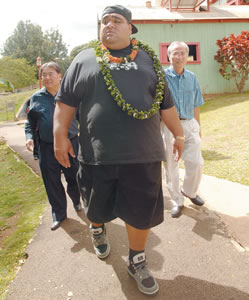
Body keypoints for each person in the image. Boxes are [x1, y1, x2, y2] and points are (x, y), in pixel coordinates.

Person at [53, 5, 184, 295]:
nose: (108, 25)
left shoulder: (149, 60)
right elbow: (65, 103)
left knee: (140, 214)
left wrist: (179, 134)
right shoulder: (83, 59)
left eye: (116, 20)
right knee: (96, 208)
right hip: (97, 157)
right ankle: (97, 228)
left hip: (143, 156)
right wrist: (60, 136)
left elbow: (166, 104)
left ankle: (137, 260)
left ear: (130, 28)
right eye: (104, 21)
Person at [25, 62, 82, 231]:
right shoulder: (35, 98)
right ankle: (59, 214)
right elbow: (30, 124)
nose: (47, 77)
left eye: (51, 74)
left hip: (71, 144)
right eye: (44, 75)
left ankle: (78, 201)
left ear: (60, 76)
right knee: (52, 182)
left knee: (75, 177)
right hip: (47, 147)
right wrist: (29, 138)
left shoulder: (71, 96)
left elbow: (83, 120)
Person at [161, 41, 205, 219]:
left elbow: (196, 104)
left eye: (182, 53)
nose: (179, 57)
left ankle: (189, 191)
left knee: (196, 162)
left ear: (187, 56)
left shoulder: (192, 77)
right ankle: (177, 201)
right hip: (169, 126)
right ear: (169, 56)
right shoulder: (161, 77)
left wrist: (198, 127)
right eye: (175, 53)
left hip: (189, 124)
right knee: (171, 165)